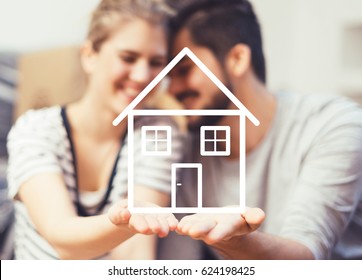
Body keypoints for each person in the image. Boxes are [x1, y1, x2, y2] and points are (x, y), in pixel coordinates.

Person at [156, 0, 362, 259]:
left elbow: (306, 257)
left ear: (238, 59)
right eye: (168, 77)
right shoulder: (188, 154)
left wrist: (234, 243)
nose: (172, 89)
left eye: (184, 70)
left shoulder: (333, 125)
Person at [6, 0, 183, 260]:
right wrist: (123, 221)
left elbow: (135, 253)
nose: (143, 75)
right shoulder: (36, 129)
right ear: (89, 55)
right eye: (128, 58)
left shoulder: (157, 133)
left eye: (156, 62)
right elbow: (62, 239)